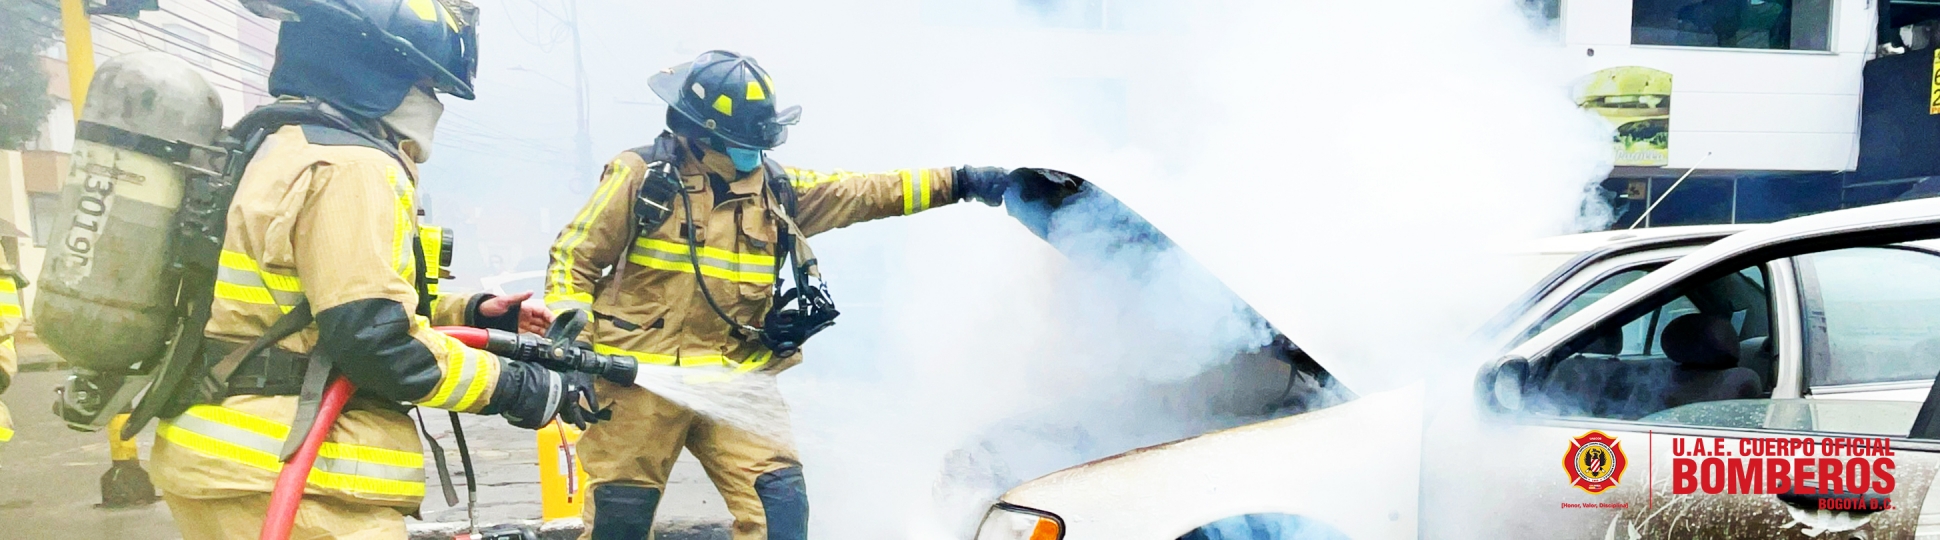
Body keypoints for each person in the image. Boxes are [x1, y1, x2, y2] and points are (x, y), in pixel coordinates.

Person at [545, 50, 1069, 540]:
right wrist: (573, 347)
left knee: (781, 511)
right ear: (702, 134)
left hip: (737, 380)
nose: (755, 154)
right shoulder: (641, 178)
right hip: (637, 382)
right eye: (744, 142)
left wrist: (962, 181)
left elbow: (866, 192)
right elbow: (574, 258)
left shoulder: (777, 191)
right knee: (620, 522)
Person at [147, 0, 604, 537]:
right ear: (380, 70)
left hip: (232, 462)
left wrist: (475, 314)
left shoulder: (275, 145)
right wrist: (517, 386)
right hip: (291, 472)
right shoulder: (352, 167)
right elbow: (377, 342)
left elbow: (316, 302)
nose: (431, 102)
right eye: (426, 83)